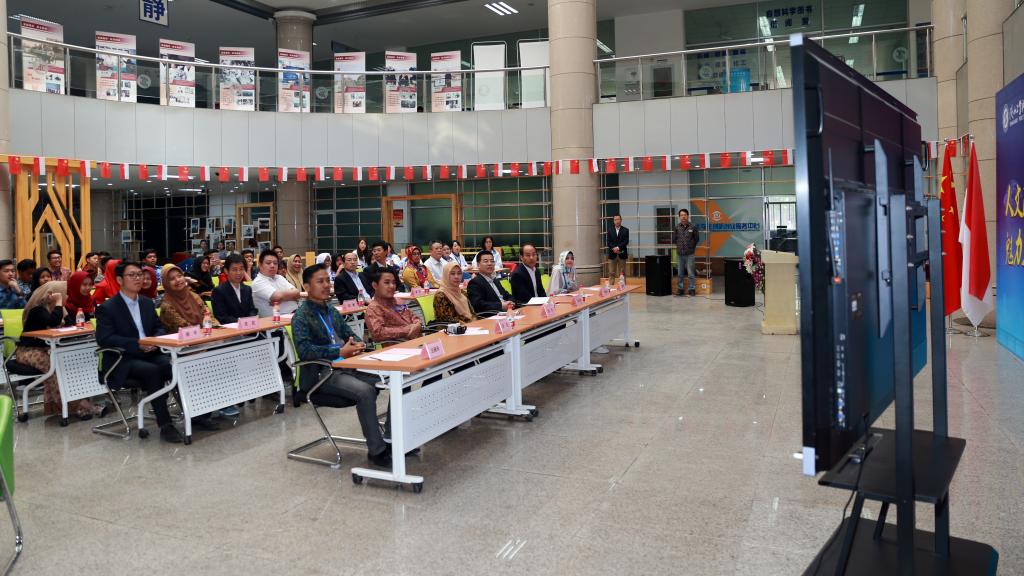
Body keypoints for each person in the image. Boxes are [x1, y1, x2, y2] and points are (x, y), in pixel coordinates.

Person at [292, 265, 390, 467]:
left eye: (327, 281)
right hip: (322, 373)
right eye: (320, 281)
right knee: (365, 391)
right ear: (307, 287)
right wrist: (338, 352)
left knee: (392, 381)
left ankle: (390, 438)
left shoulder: (331, 310)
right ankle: (377, 450)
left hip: (348, 366)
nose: (326, 285)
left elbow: (349, 334)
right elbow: (305, 351)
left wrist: (357, 343)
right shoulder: (300, 316)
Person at [95, 261, 187, 443]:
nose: (138, 278)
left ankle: (194, 414)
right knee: (153, 371)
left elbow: (159, 327)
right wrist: (137, 344)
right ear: (119, 280)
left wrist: (155, 340)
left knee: (176, 365)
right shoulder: (108, 308)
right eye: (132, 275)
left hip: (150, 353)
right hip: (123, 359)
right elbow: (105, 338)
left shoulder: (146, 303)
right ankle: (165, 425)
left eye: (139, 274)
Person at [16, 281, 105, 419]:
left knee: (67, 363)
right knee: (56, 368)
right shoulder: (37, 310)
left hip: (47, 349)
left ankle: (72, 406)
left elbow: (71, 325)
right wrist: (58, 302)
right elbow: (52, 321)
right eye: (65, 293)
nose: (67, 296)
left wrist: (62, 308)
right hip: (28, 351)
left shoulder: (57, 309)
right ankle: (80, 406)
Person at [364, 267, 422, 343]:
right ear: (375, 285)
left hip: (417, 341)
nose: (392, 286)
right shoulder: (373, 308)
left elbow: (413, 317)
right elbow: (378, 333)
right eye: (386, 283)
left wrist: (417, 324)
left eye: (394, 283)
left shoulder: (397, 301)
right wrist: (407, 330)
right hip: (397, 346)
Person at [159, 264, 219, 334]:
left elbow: (208, 316)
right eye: (172, 279)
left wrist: (217, 329)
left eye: (179, 276)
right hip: (183, 339)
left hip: (205, 335)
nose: (177, 280)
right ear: (166, 283)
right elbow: (184, 328)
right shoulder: (167, 306)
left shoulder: (194, 296)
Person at [251, 250, 301, 317]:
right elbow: (276, 296)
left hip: (295, 314)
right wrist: (291, 297)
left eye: (275, 263)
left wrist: (281, 298)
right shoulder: (258, 282)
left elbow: (297, 292)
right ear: (260, 265)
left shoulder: (280, 277)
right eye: (268, 263)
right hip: (276, 320)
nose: (272, 266)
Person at [212, 254, 258, 324]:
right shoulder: (219, 291)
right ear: (226, 271)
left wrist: (250, 319)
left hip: (249, 327)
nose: (238, 273)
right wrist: (242, 322)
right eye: (234, 269)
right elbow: (222, 317)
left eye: (241, 269)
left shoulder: (247, 289)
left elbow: (252, 310)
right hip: (231, 328)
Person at [467, 251, 514, 316]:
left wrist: (511, 302)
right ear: (478, 265)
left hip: (508, 312)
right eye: (486, 261)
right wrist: (501, 305)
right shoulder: (475, 283)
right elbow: (478, 305)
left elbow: (507, 295)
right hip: (493, 315)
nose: (490, 264)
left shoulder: (495, 280)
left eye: (492, 261)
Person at [672, 208, 700, 297]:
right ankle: (680, 289)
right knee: (680, 273)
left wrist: (691, 247)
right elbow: (674, 239)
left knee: (690, 273)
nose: (683, 217)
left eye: (685, 215)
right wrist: (680, 245)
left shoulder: (693, 227)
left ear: (688, 216)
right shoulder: (677, 227)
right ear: (679, 217)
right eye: (681, 215)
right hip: (680, 254)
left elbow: (696, 239)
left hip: (690, 254)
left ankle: (692, 289)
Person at [607, 214, 629, 280]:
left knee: (622, 272)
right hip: (612, 254)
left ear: (621, 220)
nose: (617, 221)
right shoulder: (610, 230)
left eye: (618, 219)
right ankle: (611, 286)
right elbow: (608, 242)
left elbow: (626, 241)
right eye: (615, 220)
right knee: (611, 272)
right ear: (613, 221)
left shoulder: (625, 230)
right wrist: (613, 248)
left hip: (622, 254)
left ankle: (622, 286)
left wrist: (618, 248)